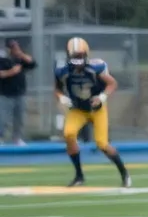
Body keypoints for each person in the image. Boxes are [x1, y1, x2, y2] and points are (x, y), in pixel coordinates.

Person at [53, 38, 131, 187]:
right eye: (75, 56)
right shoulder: (62, 70)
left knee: (102, 144)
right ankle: (79, 176)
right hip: (78, 109)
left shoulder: (96, 67)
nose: (78, 60)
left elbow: (112, 83)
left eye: (80, 56)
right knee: (69, 134)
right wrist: (62, 97)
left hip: (97, 109)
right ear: (68, 56)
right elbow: (57, 89)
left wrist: (102, 97)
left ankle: (124, 173)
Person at [0, 38, 36, 145]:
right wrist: (12, 72)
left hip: (20, 94)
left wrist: (21, 54)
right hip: (5, 94)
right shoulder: (3, 59)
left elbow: (32, 63)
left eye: (16, 46)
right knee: (3, 119)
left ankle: (17, 138)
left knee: (19, 118)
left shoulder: (20, 58)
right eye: (12, 47)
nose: (15, 49)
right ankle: (0, 137)